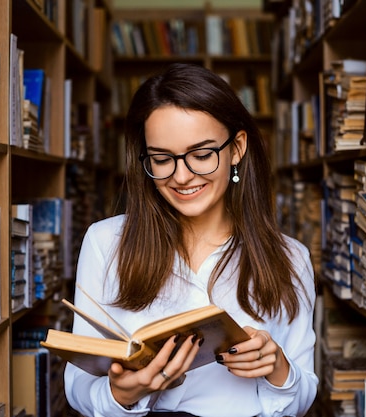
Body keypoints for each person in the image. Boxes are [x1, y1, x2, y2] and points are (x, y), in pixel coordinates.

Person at [64, 63, 318, 417]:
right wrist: (120, 394)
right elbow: (78, 384)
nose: (182, 177)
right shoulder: (106, 242)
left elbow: (303, 397)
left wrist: (277, 367)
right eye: (162, 159)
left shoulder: (291, 258)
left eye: (201, 155)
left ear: (237, 148)